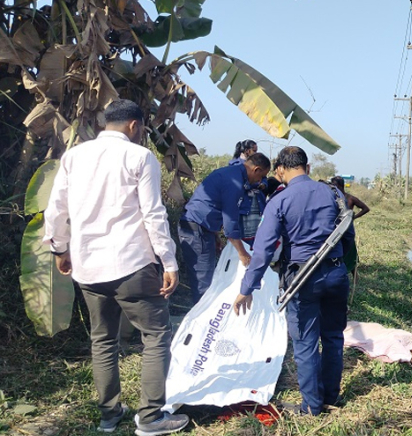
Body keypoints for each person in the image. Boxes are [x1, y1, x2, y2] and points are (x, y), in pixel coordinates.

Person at [43, 100, 189, 435]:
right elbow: (153, 214)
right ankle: (151, 418)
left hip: (88, 266)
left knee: (103, 341)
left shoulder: (74, 156)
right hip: (131, 264)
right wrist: (169, 261)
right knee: (155, 336)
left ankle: (109, 415)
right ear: (135, 126)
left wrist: (60, 249)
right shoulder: (139, 157)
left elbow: (57, 208)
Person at [233, 146, 354, 416]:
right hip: (335, 274)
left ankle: (312, 406)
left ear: (280, 171)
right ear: (308, 168)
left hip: (301, 280)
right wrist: (335, 262)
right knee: (333, 337)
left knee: (306, 343)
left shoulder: (279, 200)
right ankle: (331, 397)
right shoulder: (334, 193)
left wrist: (246, 288)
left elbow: (263, 251)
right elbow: (348, 236)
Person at [179, 152, 270, 303]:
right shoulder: (234, 182)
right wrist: (242, 253)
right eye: (261, 176)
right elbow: (230, 220)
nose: (259, 181)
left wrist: (215, 236)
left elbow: (213, 207)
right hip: (196, 229)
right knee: (203, 282)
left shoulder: (232, 173)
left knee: (206, 278)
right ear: (256, 170)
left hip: (202, 228)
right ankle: (202, 322)